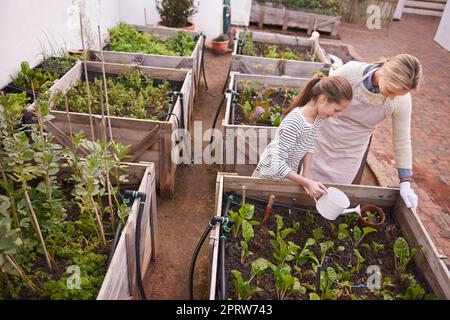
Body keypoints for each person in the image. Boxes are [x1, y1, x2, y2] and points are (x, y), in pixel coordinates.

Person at [308, 54, 422, 209]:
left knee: (334, 192)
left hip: (350, 152)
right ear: (383, 72)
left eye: (398, 94)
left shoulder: (401, 100)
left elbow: (402, 141)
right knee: (307, 183)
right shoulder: (351, 72)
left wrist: (405, 182)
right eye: (390, 90)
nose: (393, 97)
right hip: (322, 138)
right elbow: (319, 99)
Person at [252, 75, 353, 197]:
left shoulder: (317, 118)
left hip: (286, 175)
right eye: (336, 110)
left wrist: (305, 177)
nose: (336, 115)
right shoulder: (295, 122)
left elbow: (309, 145)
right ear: (323, 99)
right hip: (267, 176)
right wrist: (307, 182)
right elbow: (276, 164)